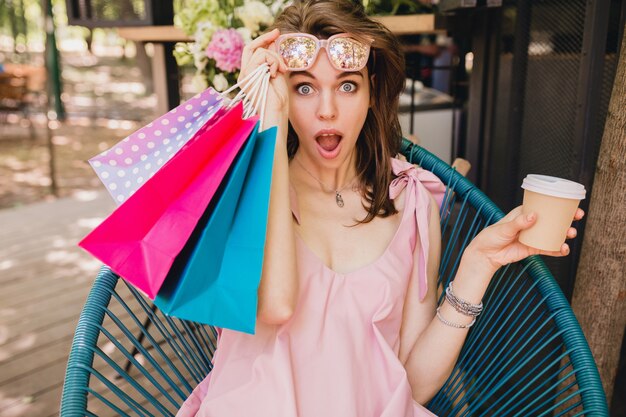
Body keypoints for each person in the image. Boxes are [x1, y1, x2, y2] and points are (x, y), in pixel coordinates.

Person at [177, 1, 584, 416]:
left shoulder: (410, 201)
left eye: (348, 85)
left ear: (372, 91)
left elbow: (414, 382)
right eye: (304, 87)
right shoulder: (244, 187)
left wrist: (476, 265)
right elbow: (276, 306)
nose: (327, 109)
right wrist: (269, 119)